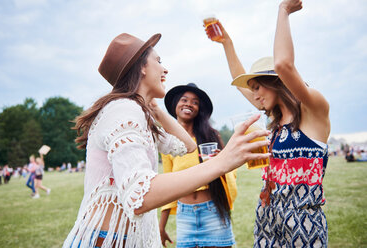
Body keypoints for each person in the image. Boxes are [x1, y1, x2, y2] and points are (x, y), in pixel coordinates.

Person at [63, 33, 270, 248]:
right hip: (107, 241)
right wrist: (222, 162)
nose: (165, 69)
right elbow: (140, 195)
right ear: (141, 67)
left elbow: (187, 146)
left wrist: (157, 110)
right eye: (158, 61)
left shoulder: (139, 113)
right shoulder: (123, 110)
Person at [206, 0, 331, 247]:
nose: (255, 95)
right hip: (267, 214)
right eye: (252, 90)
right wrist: (227, 44)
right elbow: (238, 80)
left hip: (302, 220)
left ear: (275, 81)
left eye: (257, 86)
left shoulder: (314, 109)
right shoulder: (275, 122)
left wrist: (283, 10)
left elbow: (284, 65)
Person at [159, 83, 237, 247]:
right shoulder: (168, 143)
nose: (188, 104)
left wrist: (221, 162)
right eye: (184, 100)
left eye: (194, 102)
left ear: (199, 109)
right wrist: (161, 226)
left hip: (213, 212)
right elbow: (167, 185)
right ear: (175, 105)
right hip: (184, 215)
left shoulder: (211, 136)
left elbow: (230, 171)